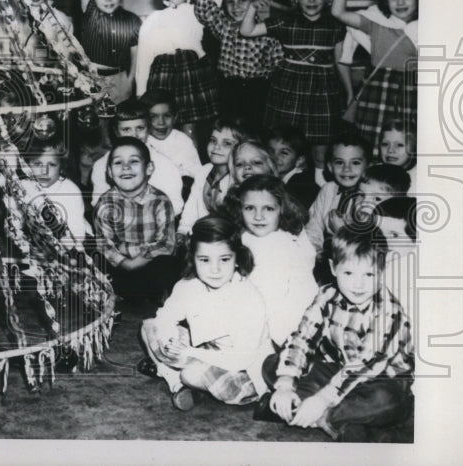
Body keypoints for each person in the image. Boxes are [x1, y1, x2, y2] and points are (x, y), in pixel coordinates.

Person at [264, 226, 414, 442]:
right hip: (339, 372)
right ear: (333, 268)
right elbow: (302, 338)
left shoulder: (388, 310)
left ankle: (317, 415)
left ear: (381, 271)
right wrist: (286, 383)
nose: (358, 284)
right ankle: (342, 424)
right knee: (273, 364)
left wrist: (322, 399)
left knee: (388, 400)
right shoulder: (327, 295)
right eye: (348, 273)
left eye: (369, 274)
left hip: (382, 380)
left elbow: (366, 363)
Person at [140, 215, 273, 410]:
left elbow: (242, 358)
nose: (215, 269)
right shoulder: (188, 286)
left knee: (191, 373)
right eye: (204, 260)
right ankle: (177, 384)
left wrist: (189, 353)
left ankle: (180, 379)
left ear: (237, 259)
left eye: (224, 259)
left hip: (244, 368)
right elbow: (165, 318)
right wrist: (169, 342)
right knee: (149, 327)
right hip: (207, 351)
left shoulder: (248, 297)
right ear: (193, 260)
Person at [241, 0, 350, 180]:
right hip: (288, 91)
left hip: (323, 92)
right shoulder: (285, 21)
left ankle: (319, 185)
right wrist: (252, 8)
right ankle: (278, 181)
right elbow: (247, 31)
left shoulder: (335, 25)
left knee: (321, 147)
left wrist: (349, 92)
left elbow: (340, 60)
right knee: (282, 143)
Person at [332, 0, 418, 157]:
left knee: (407, 146)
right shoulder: (376, 23)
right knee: (370, 146)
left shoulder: (427, 28)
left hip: (413, 93)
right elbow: (338, 13)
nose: (400, 1)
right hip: (378, 92)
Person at [133, 0, 219, 144]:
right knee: (161, 127)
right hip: (163, 76)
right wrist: (141, 92)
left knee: (190, 129)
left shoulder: (198, 11)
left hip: (192, 75)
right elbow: (144, 57)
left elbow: (216, 5)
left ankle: (191, 168)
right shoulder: (154, 19)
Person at [195, 0, 283, 125]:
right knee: (229, 129)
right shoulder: (225, 26)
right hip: (228, 88)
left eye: (242, 1)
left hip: (257, 91)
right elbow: (203, 10)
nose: (236, 7)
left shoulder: (267, 30)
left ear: (255, 0)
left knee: (254, 132)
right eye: (230, 2)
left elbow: (278, 68)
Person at [234, 175, 318, 346]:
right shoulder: (245, 237)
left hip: (281, 327)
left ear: (282, 209)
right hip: (254, 313)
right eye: (250, 208)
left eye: (268, 209)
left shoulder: (282, 244)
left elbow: (273, 297)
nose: (258, 216)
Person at [93, 137, 179, 305]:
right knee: (94, 257)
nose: (126, 167)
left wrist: (136, 260)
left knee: (168, 263)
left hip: (149, 263)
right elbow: (104, 243)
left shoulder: (160, 201)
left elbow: (166, 244)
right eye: (118, 163)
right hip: (119, 265)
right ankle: (113, 293)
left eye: (133, 161)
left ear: (149, 168)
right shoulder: (105, 203)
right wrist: (124, 263)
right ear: (109, 172)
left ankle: (156, 297)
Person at [89, 100, 184, 216]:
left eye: (140, 128)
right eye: (126, 129)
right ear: (116, 132)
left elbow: (175, 205)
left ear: (148, 129)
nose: (134, 135)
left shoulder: (165, 165)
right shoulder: (101, 165)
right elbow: (98, 204)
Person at [179, 116, 250, 235]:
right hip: (199, 234)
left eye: (227, 143)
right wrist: (182, 231)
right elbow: (190, 210)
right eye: (213, 140)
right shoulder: (204, 171)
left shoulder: (237, 180)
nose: (216, 147)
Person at [19, 135, 92, 248]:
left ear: (61, 167)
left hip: (74, 237)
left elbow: (77, 235)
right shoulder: (23, 186)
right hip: (39, 240)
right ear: (27, 165)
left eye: (52, 165)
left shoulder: (70, 191)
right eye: (38, 164)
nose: (44, 171)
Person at [305, 134, 370, 257]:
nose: (346, 169)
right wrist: (314, 253)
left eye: (355, 163)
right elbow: (314, 226)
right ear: (330, 166)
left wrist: (342, 231)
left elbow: (369, 239)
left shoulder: (370, 196)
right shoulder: (328, 189)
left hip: (358, 256)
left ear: (367, 166)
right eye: (339, 162)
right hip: (327, 254)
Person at [141, 89, 204, 184]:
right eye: (153, 117)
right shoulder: (143, 140)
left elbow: (195, 173)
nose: (161, 122)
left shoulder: (182, 141)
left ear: (175, 117)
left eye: (167, 116)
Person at [266, 125, 320, 211]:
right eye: (270, 151)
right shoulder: (274, 177)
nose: (274, 157)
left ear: (299, 160)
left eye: (284, 153)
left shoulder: (302, 183)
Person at [377, 118, 417, 194]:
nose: (390, 150)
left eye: (399, 145)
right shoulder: (374, 173)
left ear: (413, 148)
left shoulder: (418, 180)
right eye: (385, 144)